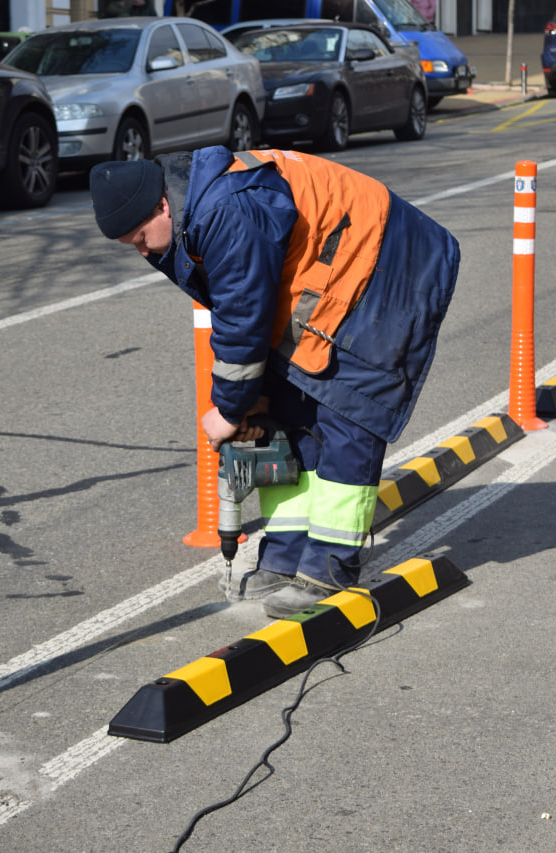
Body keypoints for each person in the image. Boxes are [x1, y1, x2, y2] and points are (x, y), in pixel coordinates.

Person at [89, 148, 459, 618]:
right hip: (322, 274)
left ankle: (329, 567)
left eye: (141, 239)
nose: (143, 252)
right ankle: (285, 556)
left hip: (387, 266)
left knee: (348, 410)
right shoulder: (183, 218)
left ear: (161, 206)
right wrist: (251, 396)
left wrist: (227, 410)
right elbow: (239, 306)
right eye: (132, 246)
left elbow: (242, 318)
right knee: (284, 411)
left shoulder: (225, 210)